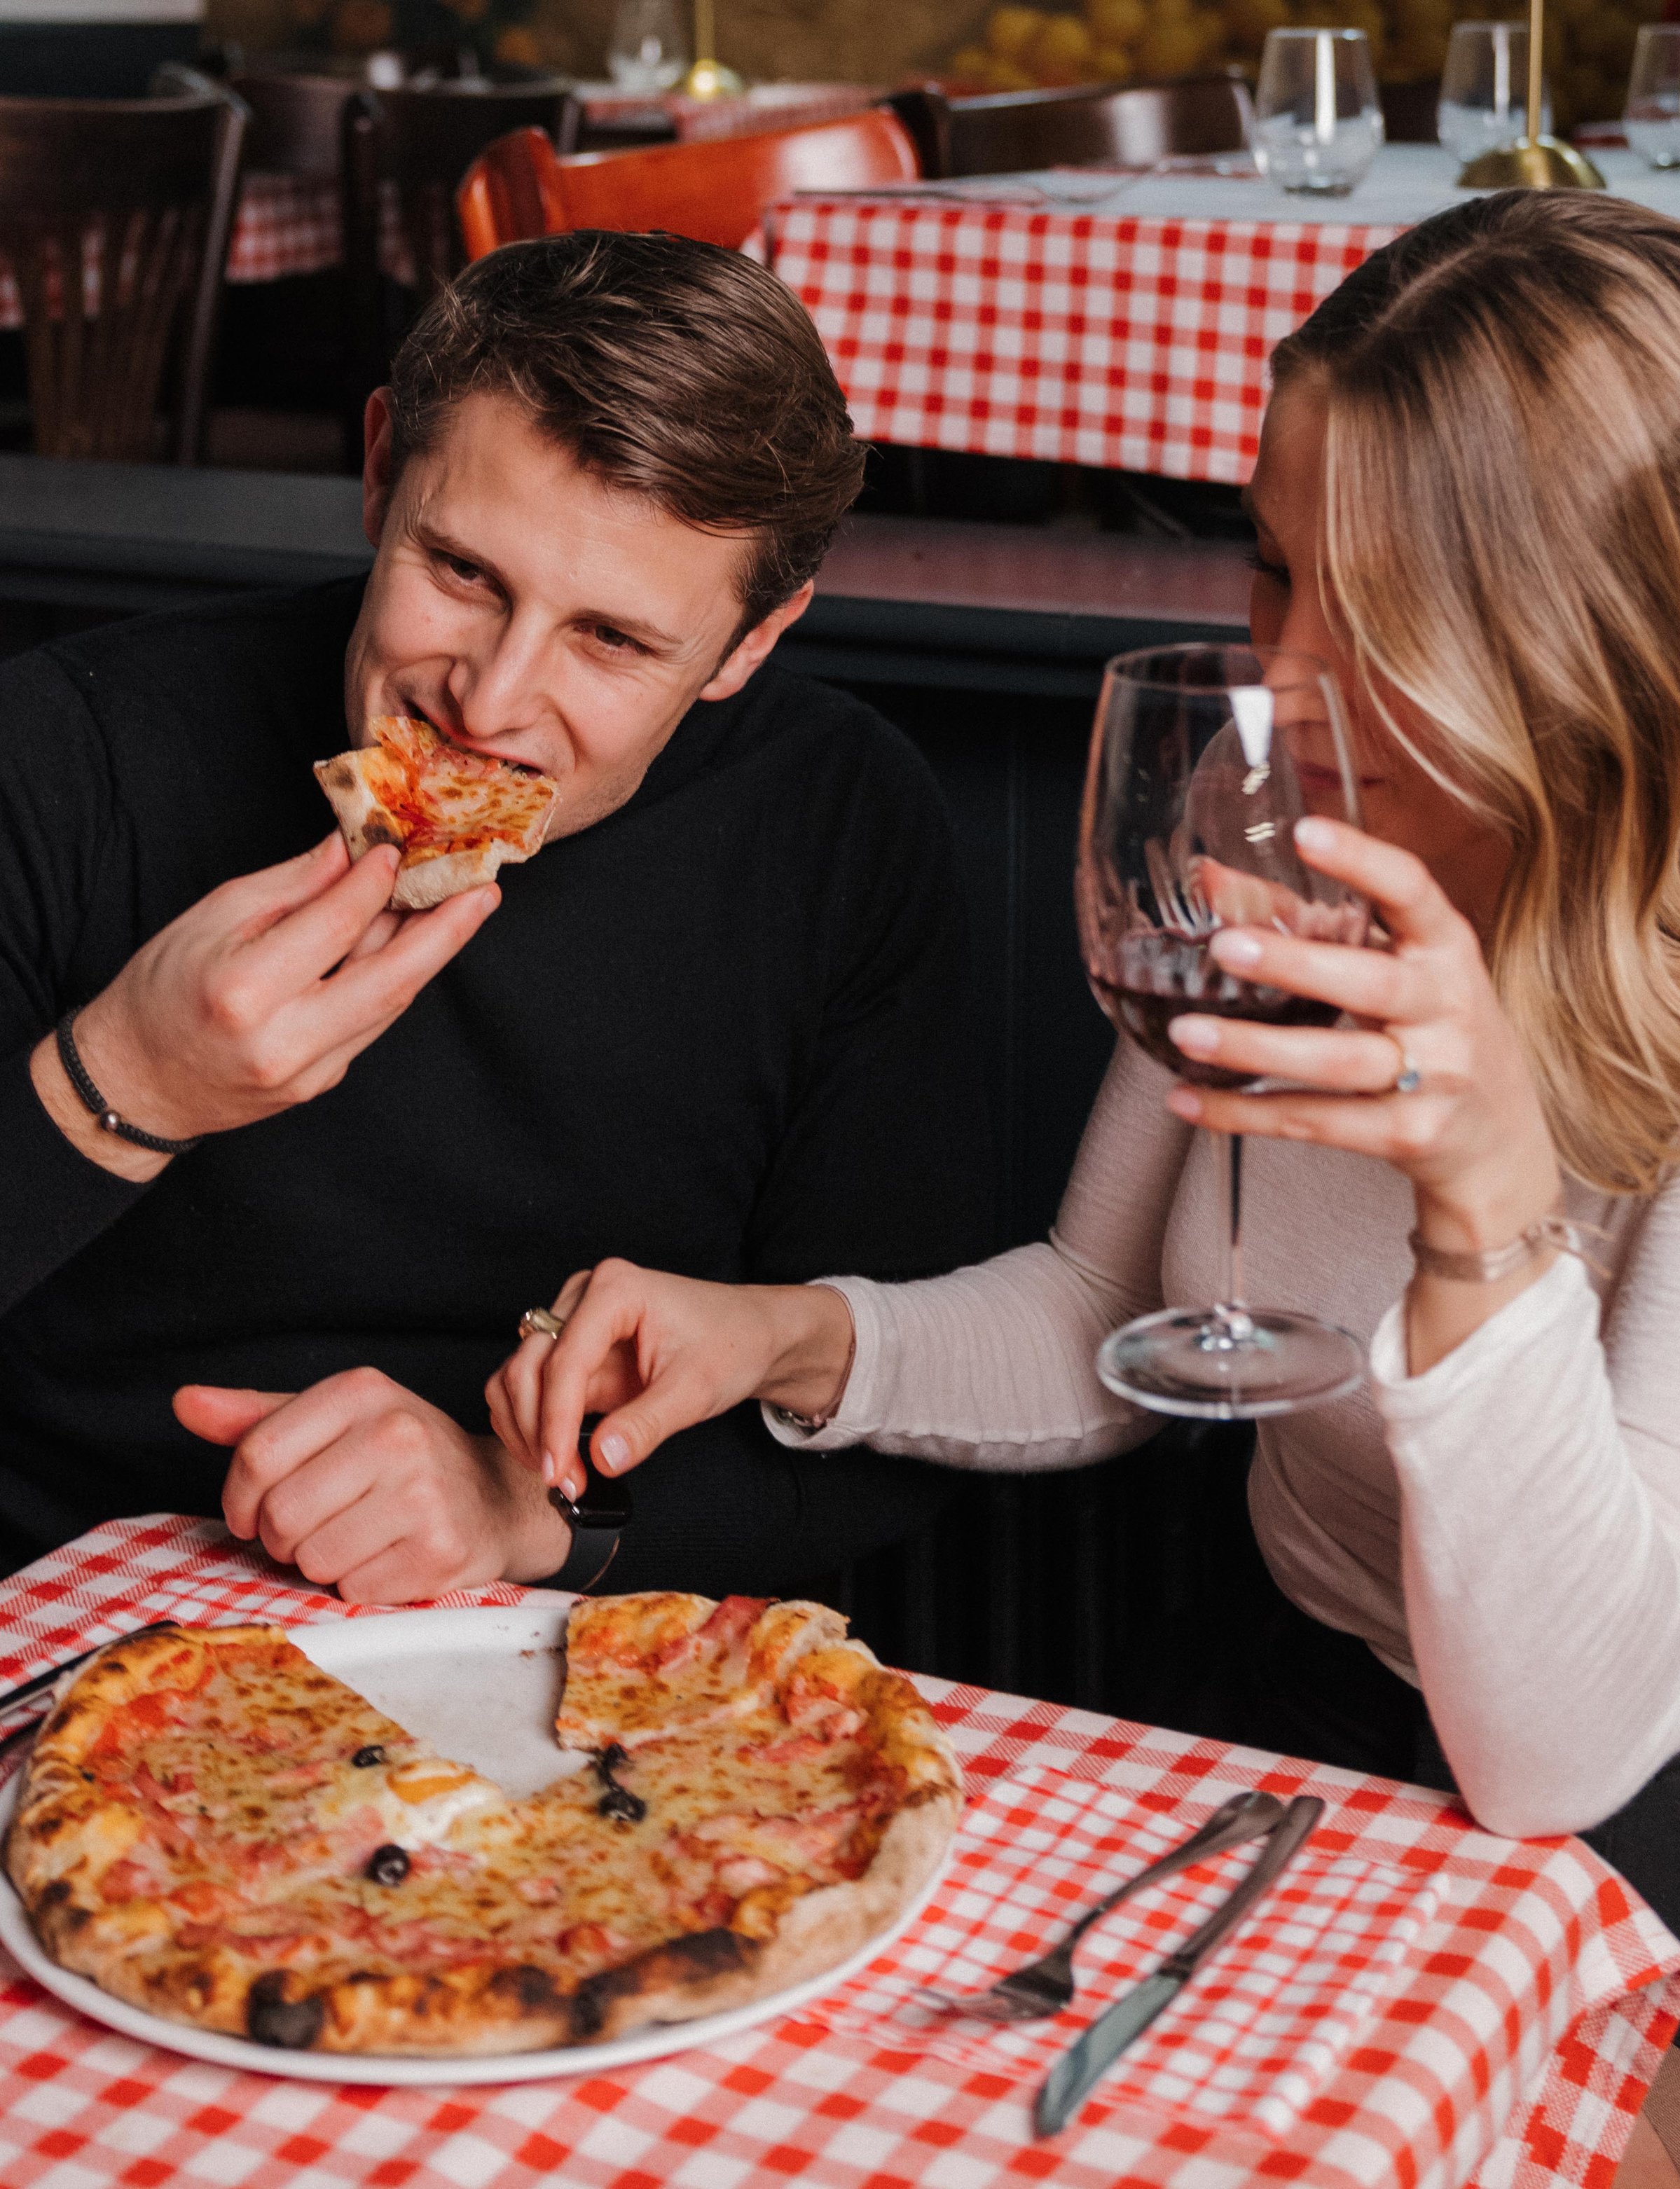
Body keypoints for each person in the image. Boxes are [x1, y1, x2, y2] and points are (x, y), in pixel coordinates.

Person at [487, 191, 1680, 2143]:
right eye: (1266, 567)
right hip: (1281, 1717)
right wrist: (774, 1336)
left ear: (1581, 641)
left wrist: (1481, 1210)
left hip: (1662, 1833)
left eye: (1384, 612)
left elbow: (1563, 1749)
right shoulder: (1289, 847)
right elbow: (1105, 1320)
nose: (1284, 679)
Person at [0, 228, 992, 1602]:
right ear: (374, 470)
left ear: (751, 644)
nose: (489, 699)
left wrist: (519, 1514)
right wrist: (122, 1084)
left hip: (591, 1647)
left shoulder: (835, 820)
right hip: (81, 1605)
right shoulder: (69, 751)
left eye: (613, 640)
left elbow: (903, 1417)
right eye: (462, 572)